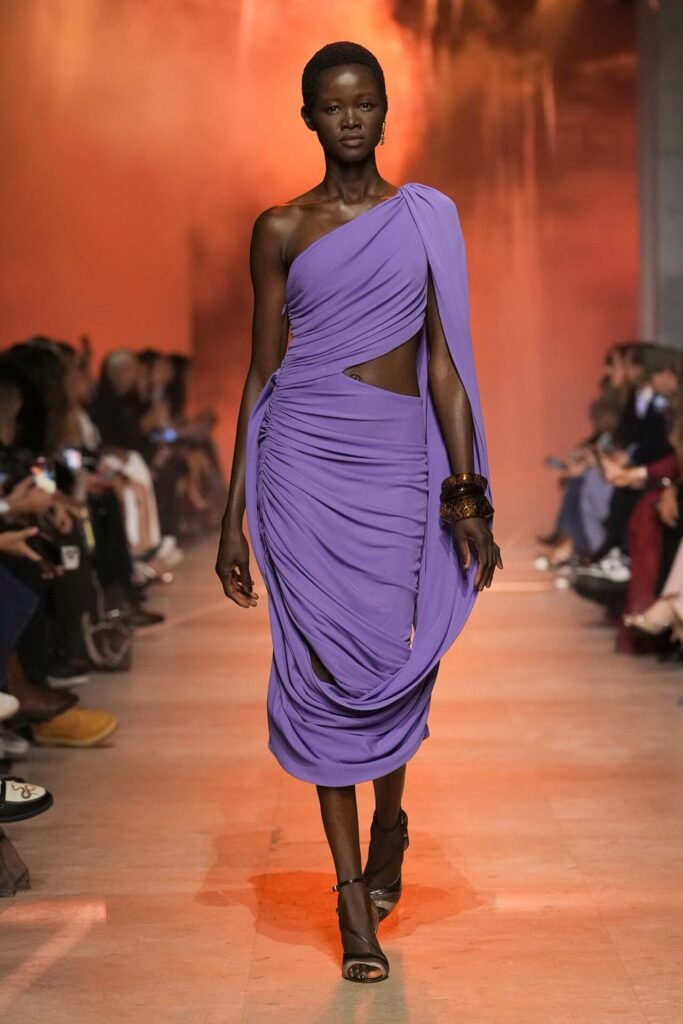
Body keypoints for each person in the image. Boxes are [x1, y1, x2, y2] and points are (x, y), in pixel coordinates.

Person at [215, 41, 502, 984]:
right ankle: (349, 899)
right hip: (299, 463)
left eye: (364, 103)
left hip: (393, 465)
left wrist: (466, 493)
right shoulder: (279, 228)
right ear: (307, 116)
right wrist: (232, 514)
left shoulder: (426, 219)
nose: (350, 118)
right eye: (333, 105)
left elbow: (444, 365)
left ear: (384, 110)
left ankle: (388, 822)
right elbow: (260, 373)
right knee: (320, 669)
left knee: (388, 661)